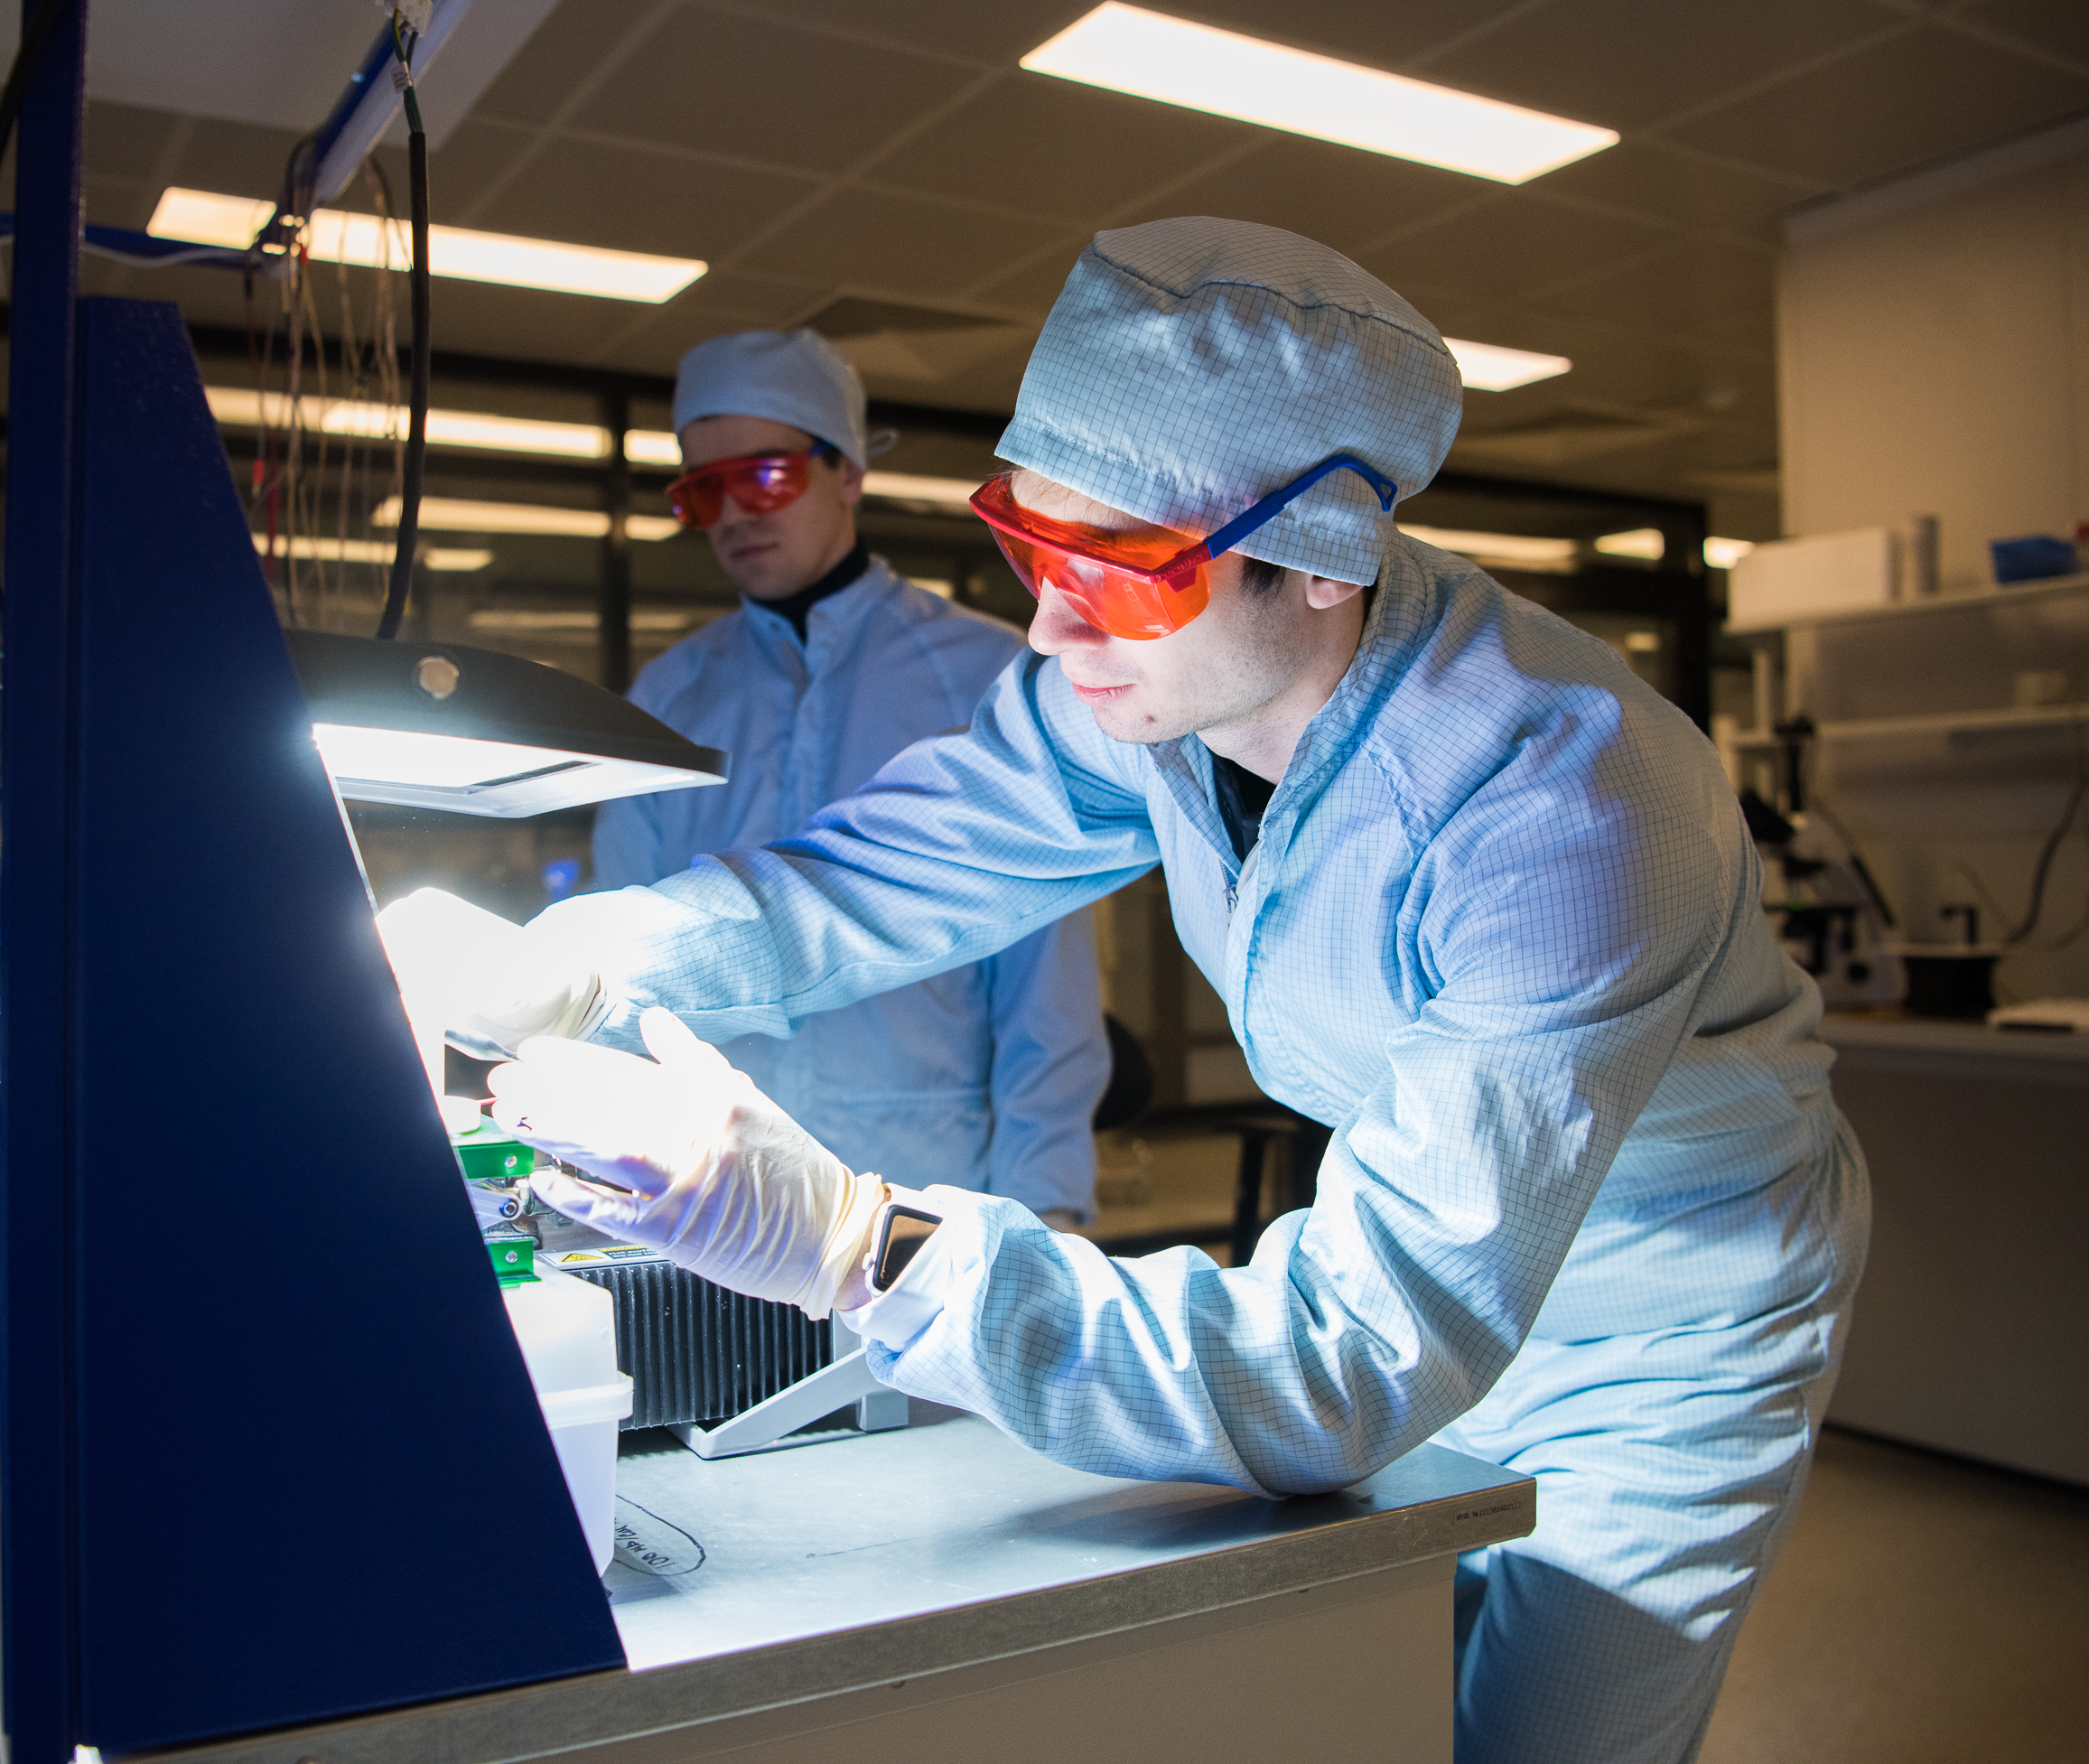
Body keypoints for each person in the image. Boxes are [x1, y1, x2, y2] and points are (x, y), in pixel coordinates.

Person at [405, 219, 1868, 1764]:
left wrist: (860, 1243)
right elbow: (876, 874)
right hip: (1421, 1236)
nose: (1049, 626)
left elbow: (1345, 1365)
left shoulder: (1568, 810)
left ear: (1327, 555)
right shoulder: (1150, 691)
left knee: (1538, 1742)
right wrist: (572, 959)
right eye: (1033, 547)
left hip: (1655, 1322)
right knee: (1372, 1697)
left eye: (1115, 568)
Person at [596, 327, 1107, 1226]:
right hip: (710, 1196)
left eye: (766, 476)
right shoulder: (669, 699)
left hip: (928, 1193)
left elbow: (1046, 989)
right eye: (705, 490)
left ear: (849, 472)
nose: (736, 513)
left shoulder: (986, 677)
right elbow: (621, 968)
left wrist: (1046, 1207)